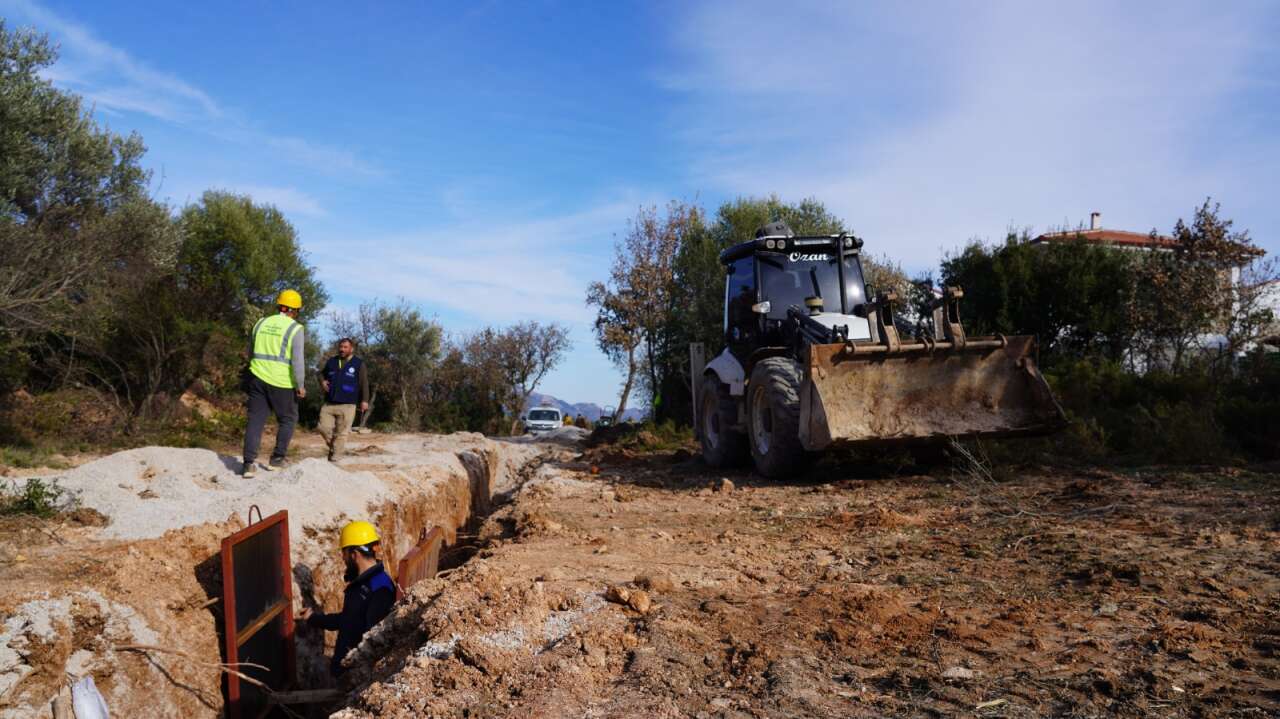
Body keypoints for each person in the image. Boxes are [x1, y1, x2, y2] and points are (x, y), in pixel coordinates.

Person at [299, 521, 395, 677]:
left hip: (355, 676)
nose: (343, 558)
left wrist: (354, 675)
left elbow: (373, 640)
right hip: (346, 671)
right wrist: (313, 618)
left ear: (354, 554)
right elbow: (348, 620)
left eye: (344, 553)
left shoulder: (380, 588)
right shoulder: (363, 582)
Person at [242, 290, 306, 478]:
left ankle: (248, 464)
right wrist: (300, 385)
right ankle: (277, 460)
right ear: (295, 310)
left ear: (279, 305)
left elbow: (251, 351)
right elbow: (297, 361)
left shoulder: (260, 323)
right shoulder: (295, 328)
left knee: (255, 420)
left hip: (257, 377)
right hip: (282, 382)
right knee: (288, 419)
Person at [318, 338, 370, 461]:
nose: (342, 349)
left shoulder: (358, 363)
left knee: (342, 433)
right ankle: (336, 448)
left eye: (345, 347)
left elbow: (364, 383)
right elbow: (320, 374)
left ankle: (335, 458)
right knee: (322, 428)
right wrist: (322, 382)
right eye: (341, 347)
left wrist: (365, 400)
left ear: (351, 349)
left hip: (348, 404)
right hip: (329, 403)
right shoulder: (332, 361)